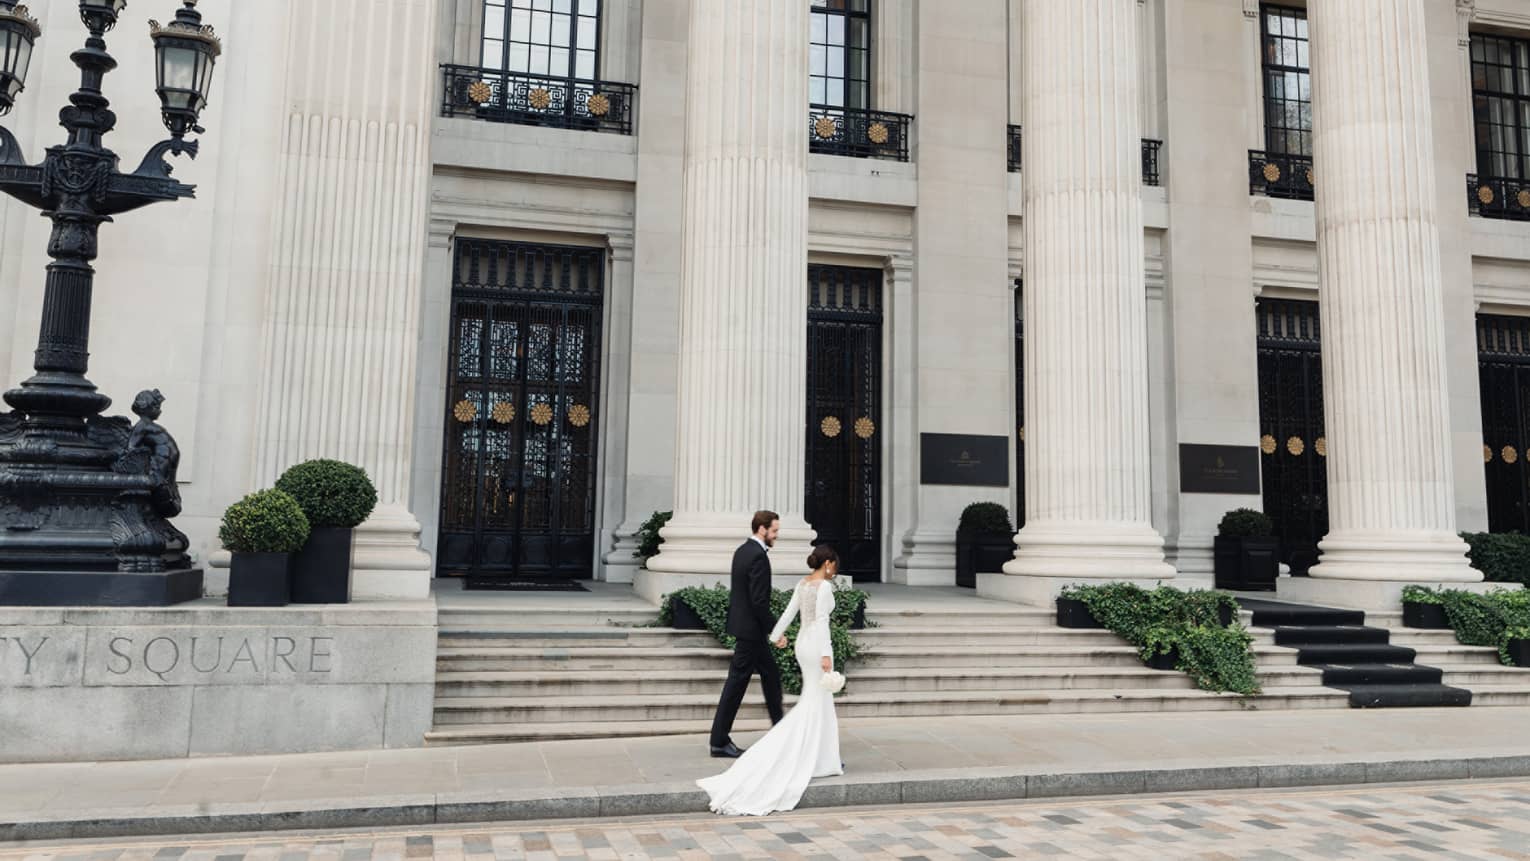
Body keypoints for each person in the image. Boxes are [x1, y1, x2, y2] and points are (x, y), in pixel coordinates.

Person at [697, 545, 844, 817]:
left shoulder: (802, 584)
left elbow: (789, 613)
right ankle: (817, 758)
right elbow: (822, 622)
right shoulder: (823, 587)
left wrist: (775, 635)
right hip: (816, 647)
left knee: (816, 698)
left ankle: (824, 756)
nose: (835, 569)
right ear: (827, 563)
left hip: (802, 645)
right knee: (816, 700)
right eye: (834, 564)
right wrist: (827, 655)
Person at [709, 511, 787, 758]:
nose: (776, 535)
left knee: (770, 675)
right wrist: (776, 630)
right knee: (736, 683)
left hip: (748, 629)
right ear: (762, 529)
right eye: (774, 531)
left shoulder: (742, 550)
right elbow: (758, 601)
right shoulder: (757, 556)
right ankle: (719, 740)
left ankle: (780, 730)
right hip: (751, 631)